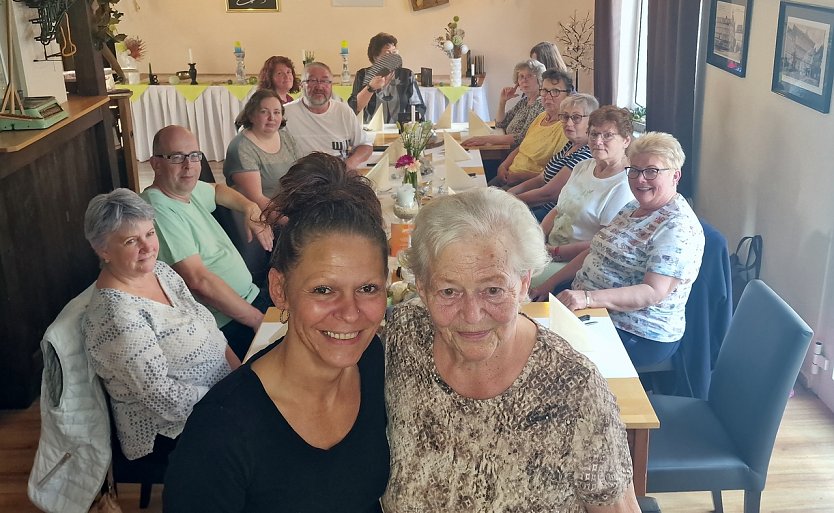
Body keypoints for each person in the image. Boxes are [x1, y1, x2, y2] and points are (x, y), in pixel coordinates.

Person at [382, 187, 639, 512]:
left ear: (522, 284)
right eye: (449, 291)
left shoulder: (575, 390)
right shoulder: (406, 335)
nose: (472, 315)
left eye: (492, 289)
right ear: (421, 288)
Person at [164, 153, 390, 513]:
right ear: (280, 290)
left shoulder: (372, 360)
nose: (350, 313)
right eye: (323, 290)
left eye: (368, 288)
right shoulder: (220, 433)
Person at [81, 188, 238, 463]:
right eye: (132, 241)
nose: (148, 247)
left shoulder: (160, 271)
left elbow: (211, 331)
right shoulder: (116, 316)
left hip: (220, 397)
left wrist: (241, 376)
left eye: (150, 234)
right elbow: (164, 399)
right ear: (103, 249)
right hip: (171, 430)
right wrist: (231, 400)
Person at [533, 132, 705, 368]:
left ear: (675, 175)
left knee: (543, 359)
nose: (640, 179)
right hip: (594, 307)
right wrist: (550, 283)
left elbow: (652, 292)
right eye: (634, 170)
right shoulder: (634, 206)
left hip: (636, 329)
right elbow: (596, 251)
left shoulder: (677, 227)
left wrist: (587, 298)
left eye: (652, 171)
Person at [141, 125, 274, 360]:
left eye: (194, 156)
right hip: (229, 322)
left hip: (251, 299)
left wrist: (250, 207)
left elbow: (217, 189)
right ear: (155, 163)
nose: (188, 165)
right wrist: (255, 319)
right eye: (176, 157)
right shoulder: (159, 209)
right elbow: (197, 281)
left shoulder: (184, 191)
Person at [526, 105, 635, 289]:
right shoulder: (583, 167)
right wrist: (536, 240)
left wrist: (553, 252)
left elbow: (600, 245)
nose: (598, 141)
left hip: (577, 263)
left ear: (625, 140)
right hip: (549, 250)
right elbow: (557, 210)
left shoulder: (624, 185)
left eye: (607, 135)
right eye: (593, 134)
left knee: (514, 279)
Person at [508, 93, 597, 220]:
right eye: (565, 117)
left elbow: (549, 194)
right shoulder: (570, 145)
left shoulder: (586, 154)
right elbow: (540, 179)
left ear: (591, 121)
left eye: (576, 117)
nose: (568, 123)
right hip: (539, 207)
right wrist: (510, 193)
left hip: (555, 215)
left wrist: (509, 201)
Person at [283, 62, 373, 171]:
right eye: (312, 81)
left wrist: (348, 165)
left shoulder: (343, 111)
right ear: (301, 84)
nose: (319, 86)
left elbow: (365, 146)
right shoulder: (285, 113)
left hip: (338, 178)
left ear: (331, 85)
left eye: (325, 81)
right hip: (300, 179)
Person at [491, 69, 573, 187]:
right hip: (510, 174)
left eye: (555, 91)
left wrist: (521, 176)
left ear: (568, 95)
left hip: (528, 185)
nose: (547, 96)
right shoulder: (541, 117)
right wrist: (502, 166)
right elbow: (522, 147)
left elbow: (554, 175)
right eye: (544, 90)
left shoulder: (566, 127)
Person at [224, 89, 300, 210]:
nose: (272, 118)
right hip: (258, 215)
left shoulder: (286, 138)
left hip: (288, 207)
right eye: (264, 112)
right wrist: (291, 223)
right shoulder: (242, 147)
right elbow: (255, 199)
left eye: (277, 112)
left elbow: (300, 177)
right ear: (251, 115)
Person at [462, 59, 546, 149]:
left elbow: (522, 137)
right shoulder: (524, 101)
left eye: (529, 76)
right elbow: (500, 123)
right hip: (506, 149)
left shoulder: (540, 104)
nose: (524, 80)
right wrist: (502, 101)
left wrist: (488, 139)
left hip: (519, 154)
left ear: (539, 79)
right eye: (521, 76)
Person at [348, 32, 426, 124]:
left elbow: (419, 106)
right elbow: (353, 108)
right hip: (370, 131)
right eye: (388, 53)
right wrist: (370, 88)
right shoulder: (363, 75)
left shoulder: (406, 75)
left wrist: (412, 120)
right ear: (376, 57)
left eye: (394, 52)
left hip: (400, 130)